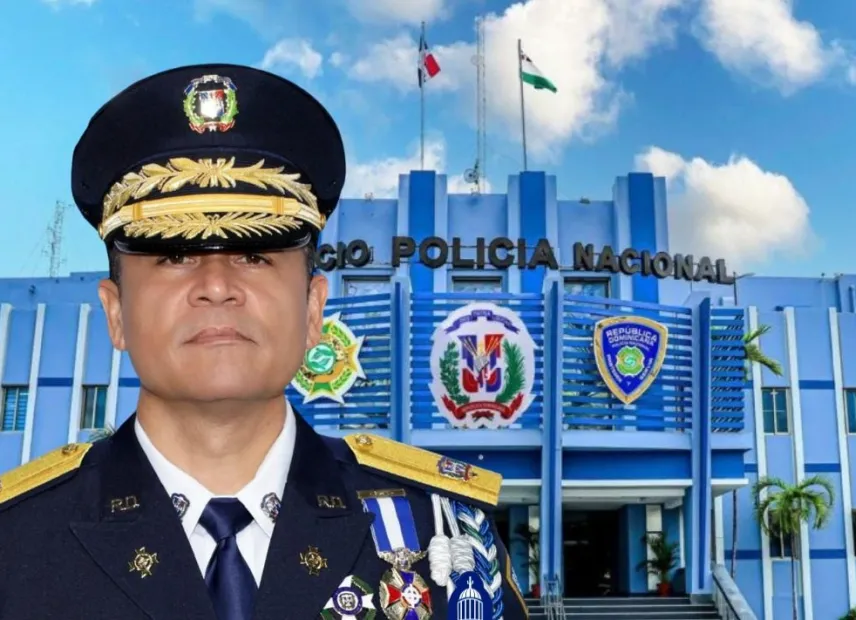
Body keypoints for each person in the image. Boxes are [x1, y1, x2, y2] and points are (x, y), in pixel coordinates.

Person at [0, 64, 528, 620]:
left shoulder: (443, 537)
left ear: (313, 309)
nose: (217, 286)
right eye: (174, 256)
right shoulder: (17, 544)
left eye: (255, 255)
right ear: (116, 313)